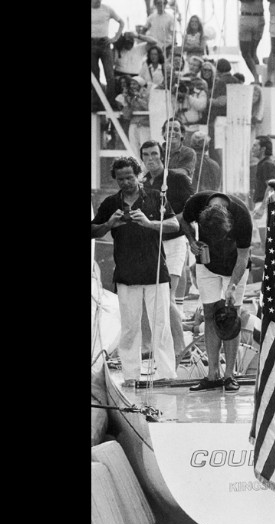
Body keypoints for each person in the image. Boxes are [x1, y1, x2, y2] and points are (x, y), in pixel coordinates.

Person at [91, 157, 178, 384]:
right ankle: (130, 376)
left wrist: (149, 224)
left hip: (155, 271)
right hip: (126, 273)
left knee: (161, 325)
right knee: (129, 328)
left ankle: (167, 374)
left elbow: (174, 225)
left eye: (130, 177)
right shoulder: (110, 203)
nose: (126, 182)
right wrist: (109, 224)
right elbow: (93, 231)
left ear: (139, 175)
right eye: (120, 179)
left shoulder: (156, 197)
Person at [178, 191, 254, 392]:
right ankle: (212, 374)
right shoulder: (195, 202)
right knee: (210, 313)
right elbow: (183, 220)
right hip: (207, 262)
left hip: (235, 266)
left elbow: (243, 257)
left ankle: (230, 374)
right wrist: (192, 241)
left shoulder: (242, 216)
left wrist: (233, 286)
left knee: (231, 316)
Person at [139, 140, 195, 364]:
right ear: (142, 157)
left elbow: (191, 207)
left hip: (174, 241)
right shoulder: (142, 182)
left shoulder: (177, 179)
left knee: (167, 296)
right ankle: (148, 346)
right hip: (151, 243)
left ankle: (182, 348)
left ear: (162, 156)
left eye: (154, 154)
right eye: (146, 155)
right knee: (145, 295)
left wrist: (168, 221)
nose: (151, 158)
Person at [91, 1, 125, 104]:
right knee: (95, 74)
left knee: (109, 73)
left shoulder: (107, 9)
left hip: (104, 43)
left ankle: (111, 101)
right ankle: (96, 102)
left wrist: (115, 38)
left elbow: (121, 22)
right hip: (92, 43)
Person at [238, 0, 266, 84]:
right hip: (258, 17)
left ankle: (256, 78)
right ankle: (258, 78)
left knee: (246, 53)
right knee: (252, 52)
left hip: (247, 17)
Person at [250, 136, 275, 207]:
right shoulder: (263, 163)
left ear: (263, 149)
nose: (252, 148)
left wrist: (262, 208)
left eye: (255, 146)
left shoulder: (267, 164)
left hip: (266, 206)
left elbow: (272, 188)